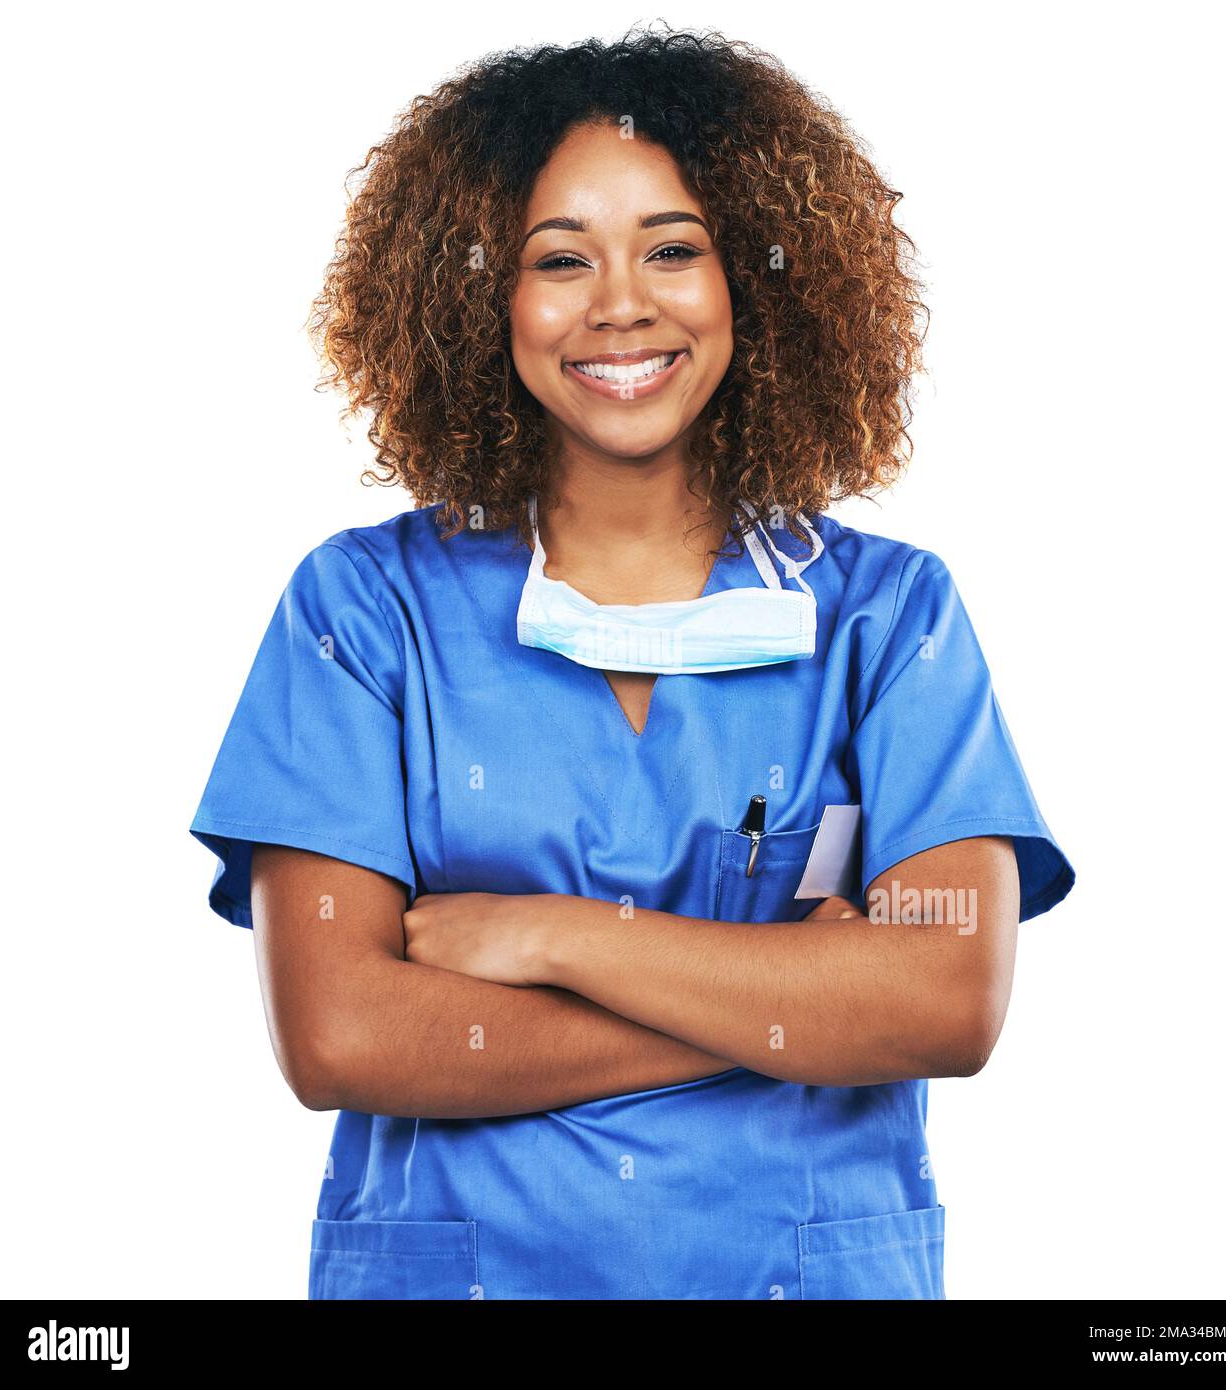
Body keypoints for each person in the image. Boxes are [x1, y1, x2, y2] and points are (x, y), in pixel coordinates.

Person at [190, 26, 1075, 1300]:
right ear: (479, 294)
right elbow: (341, 1034)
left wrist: (546, 934)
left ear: (757, 285)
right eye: (561, 259)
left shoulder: (891, 619)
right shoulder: (363, 610)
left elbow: (945, 1002)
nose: (621, 302)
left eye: (675, 248)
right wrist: (789, 1004)